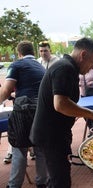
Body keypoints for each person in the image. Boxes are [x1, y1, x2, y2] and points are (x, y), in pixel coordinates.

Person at [30, 37, 93, 188]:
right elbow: (61, 104)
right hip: (51, 136)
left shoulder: (66, 67)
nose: (92, 68)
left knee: (56, 178)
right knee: (61, 182)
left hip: (54, 134)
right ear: (83, 55)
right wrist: (89, 113)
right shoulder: (65, 68)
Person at [0, 41, 48, 187]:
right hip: (41, 111)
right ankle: (42, 183)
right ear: (33, 52)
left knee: (19, 150)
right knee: (40, 149)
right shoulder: (41, 67)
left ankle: (14, 185)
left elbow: (6, 90)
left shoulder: (16, 65)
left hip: (23, 112)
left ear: (19, 53)